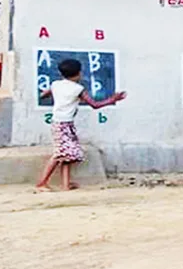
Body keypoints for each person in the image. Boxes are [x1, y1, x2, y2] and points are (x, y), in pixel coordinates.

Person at [36, 58, 128, 191]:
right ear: (79, 73)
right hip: (64, 124)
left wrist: (56, 96)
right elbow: (95, 105)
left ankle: (66, 184)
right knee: (59, 154)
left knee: (66, 155)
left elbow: (43, 94)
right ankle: (42, 183)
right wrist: (112, 99)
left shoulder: (56, 84)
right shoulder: (78, 89)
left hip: (59, 123)